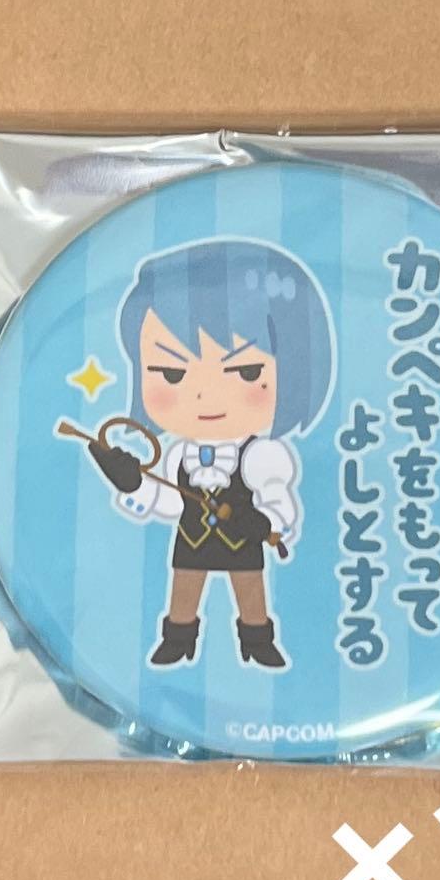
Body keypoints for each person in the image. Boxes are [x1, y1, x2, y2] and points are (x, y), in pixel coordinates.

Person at [87, 238, 334, 670]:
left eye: (247, 371)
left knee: (250, 589)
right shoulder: (178, 454)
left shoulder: (260, 455)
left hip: (242, 535)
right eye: (172, 373)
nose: (205, 395)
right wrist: (132, 481)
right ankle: (178, 639)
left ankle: (257, 641)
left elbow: (276, 495)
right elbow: (168, 499)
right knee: (184, 586)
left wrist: (267, 521)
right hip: (192, 535)